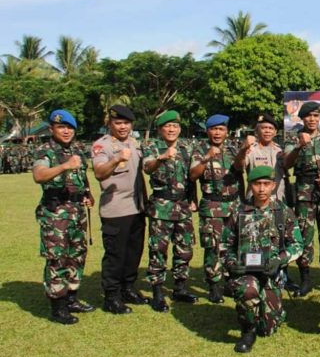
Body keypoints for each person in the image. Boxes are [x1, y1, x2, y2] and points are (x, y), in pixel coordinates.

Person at [225, 166, 304, 352]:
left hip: (271, 273)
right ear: (250, 186)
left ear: (273, 186)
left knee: (268, 329)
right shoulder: (238, 212)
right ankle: (247, 330)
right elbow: (225, 245)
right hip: (246, 274)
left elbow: (297, 245)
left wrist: (280, 260)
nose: (261, 189)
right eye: (257, 184)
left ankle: (271, 309)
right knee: (248, 290)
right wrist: (230, 263)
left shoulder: (282, 212)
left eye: (266, 184)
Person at [32, 109, 95, 324]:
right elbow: (39, 175)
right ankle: (58, 307)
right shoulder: (45, 151)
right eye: (61, 127)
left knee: (77, 255)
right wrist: (65, 166)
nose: (66, 131)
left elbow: (82, 175)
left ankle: (72, 298)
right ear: (52, 129)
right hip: (56, 213)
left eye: (69, 127)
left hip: (77, 212)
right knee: (57, 257)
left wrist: (88, 193)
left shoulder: (77, 149)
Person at [91, 105, 148, 314]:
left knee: (134, 252)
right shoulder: (102, 146)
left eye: (126, 123)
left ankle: (128, 288)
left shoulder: (135, 143)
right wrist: (116, 159)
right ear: (110, 124)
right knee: (116, 255)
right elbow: (99, 173)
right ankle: (111, 296)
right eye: (118, 123)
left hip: (137, 206)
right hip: (116, 210)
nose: (123, 127)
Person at [142, 110, 198, 312]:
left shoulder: (186, 148)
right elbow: (147, 168)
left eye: (175, 126)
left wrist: (193, 199)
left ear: (179, 128)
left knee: (185, 249)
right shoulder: (152, 146)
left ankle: (180, 288)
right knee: (158, 249)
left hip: (182, 206)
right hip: (161, 206)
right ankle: (157, 292)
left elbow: (192, 177)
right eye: (167, 126)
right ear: (160, 129)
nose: (171, 129)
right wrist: (162, 158)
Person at [190, 114, 246, 303]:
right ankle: (214, 284)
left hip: (234, 204)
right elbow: (192, 175)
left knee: (234, 244)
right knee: (213, 246)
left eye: (221, 129)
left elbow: (240, 169)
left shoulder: (233, 149)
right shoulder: (199, 149)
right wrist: (206, 159)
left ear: (226, 132)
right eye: (213, 129)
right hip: (212, 205)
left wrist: (244, 150)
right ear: (207, 131)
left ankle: (231, 281)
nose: (217, 133)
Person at [283, 101, 320, 296]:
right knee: (305, 234)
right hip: (304, 191)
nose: (312, 119)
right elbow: (286, 164)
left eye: (315, 116)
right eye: (308, 116)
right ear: (302, 118)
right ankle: (305, 278)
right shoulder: (292, 138)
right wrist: (298, 146)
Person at [244, 112, 286, 202]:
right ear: (257, 131)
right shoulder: (251, 149)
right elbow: (239, 166)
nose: (267, 131)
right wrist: (243, 150)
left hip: (277, 199)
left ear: (275, 132)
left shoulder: (280, 150)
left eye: (271, 128)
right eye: (264, 128)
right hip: (255, 199)